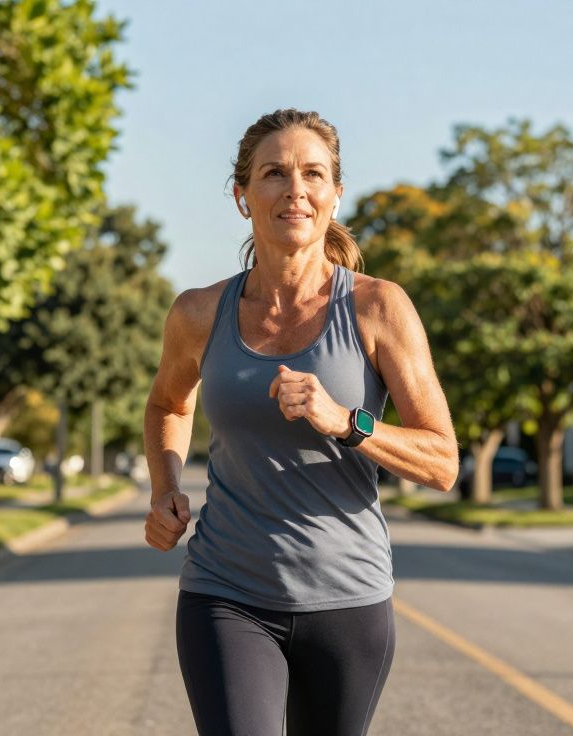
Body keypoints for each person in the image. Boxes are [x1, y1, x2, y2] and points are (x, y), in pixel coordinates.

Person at [143, 108, 459, 736]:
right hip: (224, 592)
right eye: (274, 173)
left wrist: (345, 421)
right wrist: (165, 488)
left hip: (348, 599)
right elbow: (168, 405)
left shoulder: (378, 307)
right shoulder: (198, 313)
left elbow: (442, 461)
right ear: (242, 196)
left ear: (335, 195)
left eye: (313, 174)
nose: (295, 190)